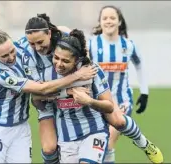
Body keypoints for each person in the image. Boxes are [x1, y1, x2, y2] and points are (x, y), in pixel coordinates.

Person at [21, 13, 163, 164]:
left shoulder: (64, 38)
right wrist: (72, 82)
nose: (37, 47)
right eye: (32, 44)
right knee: (49, 148)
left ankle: (144, 143)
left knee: (118, 121)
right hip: (49, 97)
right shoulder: (28, 56)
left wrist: (84, 65)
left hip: (69, 95)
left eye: (40, 42)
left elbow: (82, 50)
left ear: (49, 33)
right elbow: (39, 93)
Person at [0, 23, 97, 163]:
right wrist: (77, 77)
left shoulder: (21, 44)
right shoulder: (1, 73)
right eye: (4, 55)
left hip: (21, 127)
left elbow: (59, 28)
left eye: (11, 51)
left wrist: (82, 49)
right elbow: (41, 90)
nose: (11, 57)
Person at [88, 5, 163, 163]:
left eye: (112, 18)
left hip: (121, 101)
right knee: (99, 146)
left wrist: (144, 93)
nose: (109, 21)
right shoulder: (91, 45)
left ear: (119, 21)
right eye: (105, 18)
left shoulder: (128, 45)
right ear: (100, 22)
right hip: (98, 102)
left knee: (108, 143)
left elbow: (140, 64)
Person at [33, 28, 114, 163]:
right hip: (66, 139)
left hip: (94, 132)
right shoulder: (47, 74)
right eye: (56, 58)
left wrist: (89, 101)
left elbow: (109, 106)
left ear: (76, 60)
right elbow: (37, 102)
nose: (59, 64)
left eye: (65, 61)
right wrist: (50, 95)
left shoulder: (92, 70)